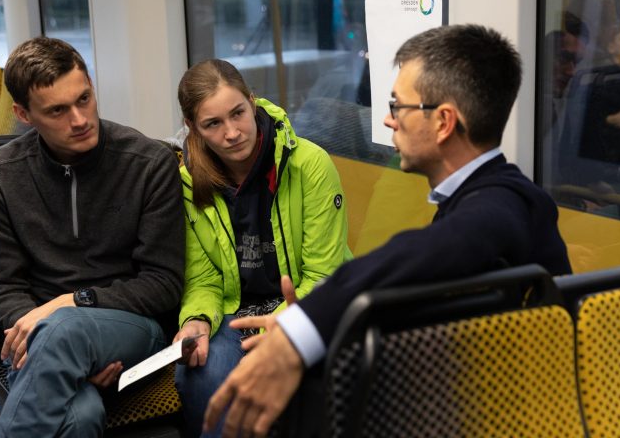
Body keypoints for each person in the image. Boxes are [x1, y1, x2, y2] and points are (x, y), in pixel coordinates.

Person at [203, 24, 572, 437]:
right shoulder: (477, 197)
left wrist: (302, 330)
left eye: (399, 106)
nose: (387, 119)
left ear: (444, 122)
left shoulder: (502, 203)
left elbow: (437, 248)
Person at [0, 37, 185, 438]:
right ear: (23, 114)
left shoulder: (148, 163)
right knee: (80, 415)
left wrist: (69, 304)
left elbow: (163, 284)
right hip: (39, 337)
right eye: (57, 110)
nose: (79, 118)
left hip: (133, 329)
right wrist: (54, 350)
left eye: (84, 98)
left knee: (64, 327)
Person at [171, 59, 351, 437]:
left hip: (304, 307)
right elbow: (202, 277)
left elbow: (324, 272)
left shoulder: (309, 164)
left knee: (296, 377)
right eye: (213, 124)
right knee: (201, 373)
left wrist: (280, 325)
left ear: (253, 102)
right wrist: (196, 320)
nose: (233, 132)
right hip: (234, 315)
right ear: (193, 127)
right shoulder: (188, 182)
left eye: (238, 113)